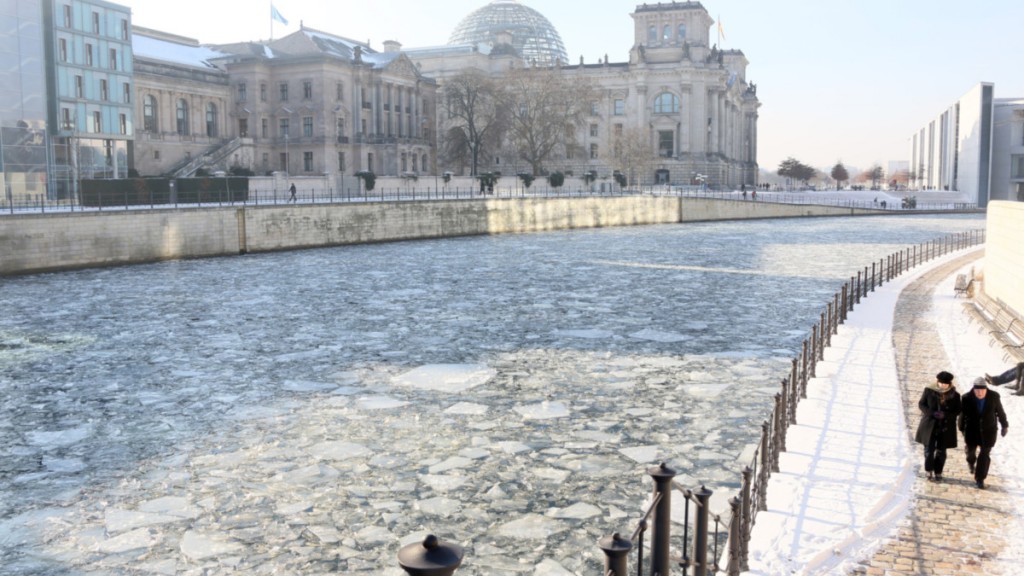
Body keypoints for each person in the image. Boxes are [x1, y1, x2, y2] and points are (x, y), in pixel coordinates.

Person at [958, 378, 1009, 489]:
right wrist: (961, 428)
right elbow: (962, 415)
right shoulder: (966, 398)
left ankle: (980, 479)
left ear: (986, 389)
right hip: (972, 431)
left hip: (988, 431)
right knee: (970, 451)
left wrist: (1004, 425)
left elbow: (1000, 412)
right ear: (974, 390)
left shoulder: (994, 397)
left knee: (984, 455)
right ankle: (971, 462)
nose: (979, 393)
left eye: (982, 390)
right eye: (977, 390)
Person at [913, 371, 961, 481]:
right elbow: (921, 404)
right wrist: (931, 413)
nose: (944, 386)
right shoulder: (929, 391)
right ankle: (929, 470)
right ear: (937, 382)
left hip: (945, 427)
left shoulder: (955, 395)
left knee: (941, 452)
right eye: (942, 383)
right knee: (929, 451)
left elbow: (958, 410)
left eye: (946, 384)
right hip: (930, 425)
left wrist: (946, 415)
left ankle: (938, 471)